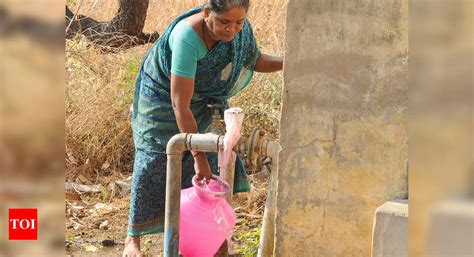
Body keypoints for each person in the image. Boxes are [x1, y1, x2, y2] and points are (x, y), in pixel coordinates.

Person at [123, 0, 283, 256]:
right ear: (207, 12)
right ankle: (133, 240)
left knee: (215, 155)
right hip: (164, 99)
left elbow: (256, 61)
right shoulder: (188, 38)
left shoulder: (240, 32)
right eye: (224, 22)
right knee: (154, 160)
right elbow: (180, 105)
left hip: (204, 99)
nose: (231, 30)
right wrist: (197, 156)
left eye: (239, 23)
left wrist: (290, 62)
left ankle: (208, 236)